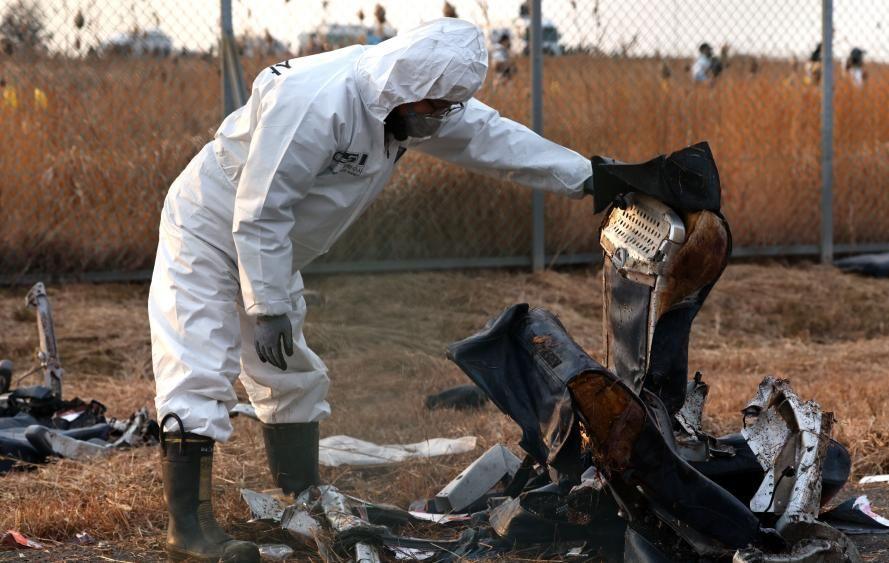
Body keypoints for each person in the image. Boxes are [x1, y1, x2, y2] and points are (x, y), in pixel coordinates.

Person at [149, 18, 594, 562]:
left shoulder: (415, 102)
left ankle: (305, 496)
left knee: (290, 370)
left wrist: (590, 176)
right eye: (436, 106)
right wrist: (265, 306)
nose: (443, 118)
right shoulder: (315, 100)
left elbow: (493, 136)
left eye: (449, 107)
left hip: (272, 244)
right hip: (212, 228)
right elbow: (260, 207)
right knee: (199, 362)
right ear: (408, 87)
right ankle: (189, 530)